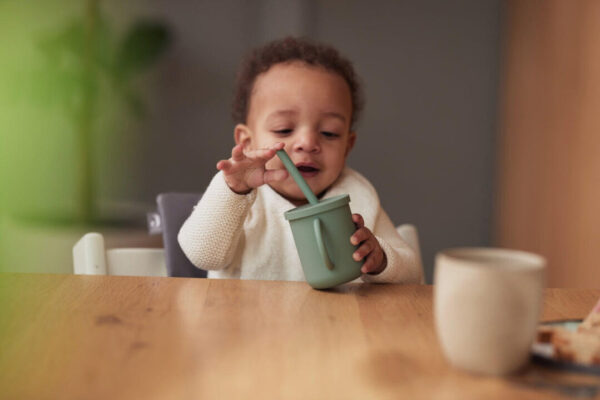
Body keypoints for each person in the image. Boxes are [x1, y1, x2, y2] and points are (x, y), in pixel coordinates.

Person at [178, 37, 422, 284]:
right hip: (245, 321)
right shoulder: (237, 196)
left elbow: (413, 275)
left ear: (348, 146)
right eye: (284, 129)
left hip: (338, 321)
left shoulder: (357, 196)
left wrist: (381, 260)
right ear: (247, 142)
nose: (307, 143)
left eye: (329, 133)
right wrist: (234, 191)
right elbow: (201, 255)